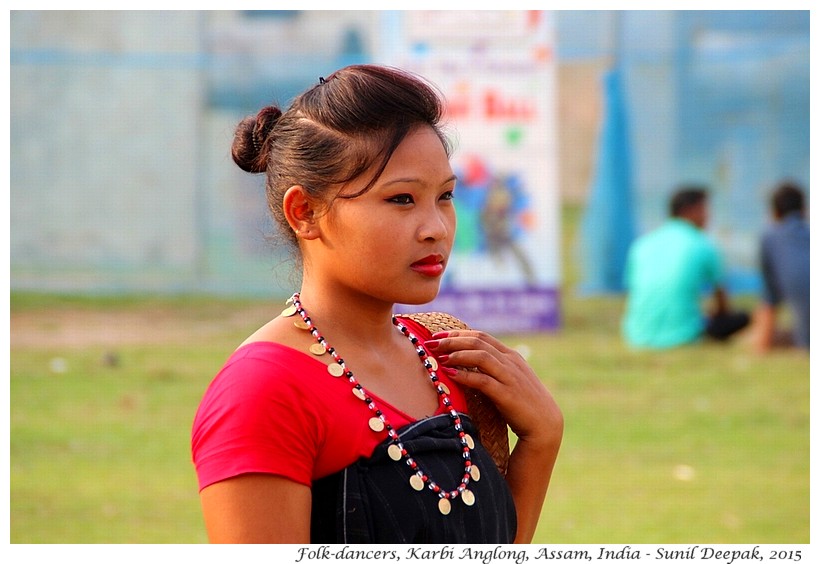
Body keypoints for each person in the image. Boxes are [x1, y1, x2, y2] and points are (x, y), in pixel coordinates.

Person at [191, 65, 563, 543]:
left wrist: (541, 441)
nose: (437, 228)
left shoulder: (446, 354)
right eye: (402, 199)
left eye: (445, 196)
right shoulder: (262, 392)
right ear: (305, 212)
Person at [622, 186, 749, 349]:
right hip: (685, 335)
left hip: (636, 335)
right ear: (691, 211)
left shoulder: (642, 244)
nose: (709, 216)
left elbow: (631, 291)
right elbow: (722, 302)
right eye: (705, 210)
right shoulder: (702, 243)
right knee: (743, 318)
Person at [750, 181, 809, 352]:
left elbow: (769, 300)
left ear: (773, 212)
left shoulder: (770, 238)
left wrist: (761, 348)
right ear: (804, 210)